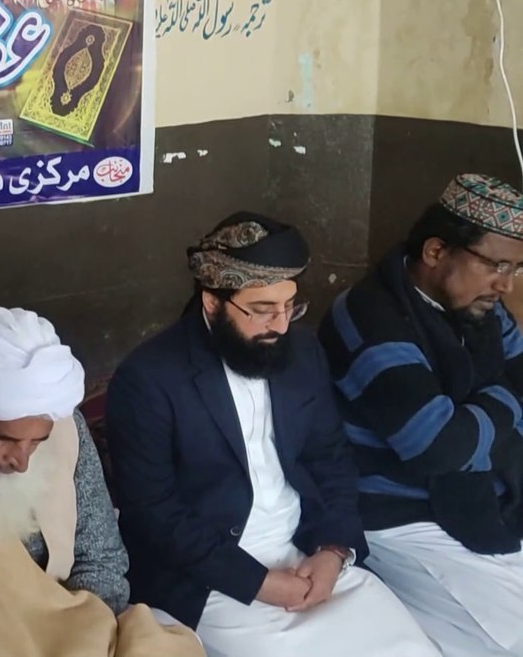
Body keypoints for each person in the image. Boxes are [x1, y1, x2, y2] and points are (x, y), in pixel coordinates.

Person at [106, 212, 439, 657]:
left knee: (408, 649)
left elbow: (331, 457)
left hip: (305, 552)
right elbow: (153, 511)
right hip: (211, 578)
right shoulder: (149, 377)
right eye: (262, 310)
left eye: (290, 306)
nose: (280, 325)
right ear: (212, 302)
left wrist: (334, 549)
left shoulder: (301, 351)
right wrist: (257, 582)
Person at [320, 173, 523, 656]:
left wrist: (482, 410)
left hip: (484, 488)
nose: (506, 284)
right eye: (496, 265)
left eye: (516, 269)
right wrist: (502, 401)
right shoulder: (370, 318)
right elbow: (438, 447)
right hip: (403, 513)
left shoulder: (479, 307)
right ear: (435, 251)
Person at [0, 306, 204, 657]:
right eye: (4, 439)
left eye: (37, 442)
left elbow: (102, 558)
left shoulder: (67, 430)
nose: (22, 462)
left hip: (77, 624)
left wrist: (81, 639)